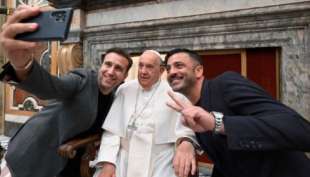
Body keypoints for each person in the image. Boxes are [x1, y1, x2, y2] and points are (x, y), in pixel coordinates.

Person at [0, 5, 133, 177]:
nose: (111, 71)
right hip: (36, 149)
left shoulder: (114, 97)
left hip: (69, 158)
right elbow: (51, 88)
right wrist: (23, 66)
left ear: (124, 76)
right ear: (101, 66)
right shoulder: (82, 79)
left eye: (118, 68)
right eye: (108, 64)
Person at [164, 48, 310, 177]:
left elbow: (300, 129)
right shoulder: (194, 113)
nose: (172, 72)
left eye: (179, 65)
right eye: (168, 68)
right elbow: (227, 163)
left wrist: (218, 123)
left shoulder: (225, 84)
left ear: (198, 71)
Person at [92, 50, 198, 177]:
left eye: (149, 67)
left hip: (160, 160)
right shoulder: (124, 90)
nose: (143, 71)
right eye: (141, 65)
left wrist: (186, 142)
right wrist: (109, 162)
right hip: (124, 157)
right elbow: (112, 131)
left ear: (161, 71)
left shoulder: (175, 93)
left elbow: (187, 129)